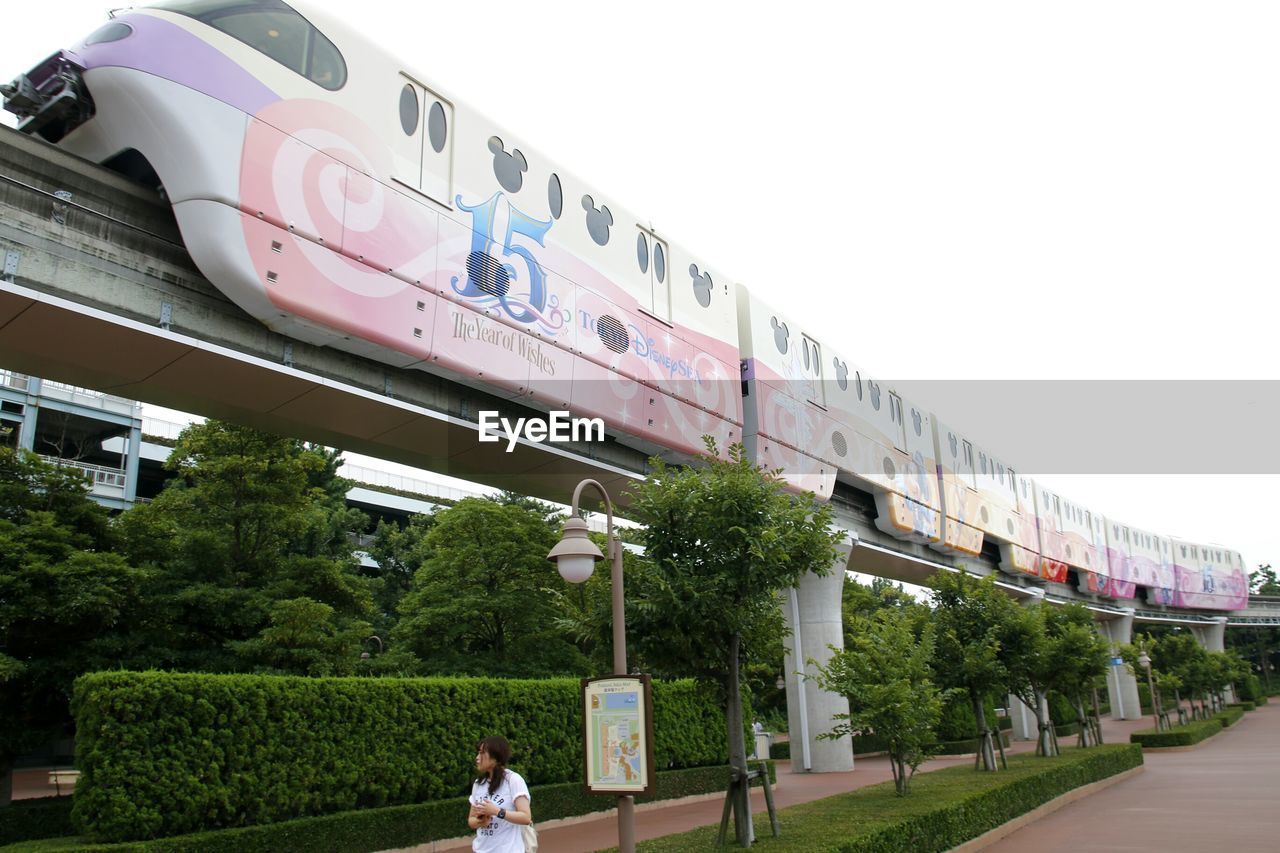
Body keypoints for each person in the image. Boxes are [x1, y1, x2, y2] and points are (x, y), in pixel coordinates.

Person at [468, 736, 533, 852]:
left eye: (482, 753)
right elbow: (471, 820)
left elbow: (526, 817)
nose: (477, 758)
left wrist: (496, 811)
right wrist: (481, 822)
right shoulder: (479, 784)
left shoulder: (513, 780)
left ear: (495, 757)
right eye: (477, 753)